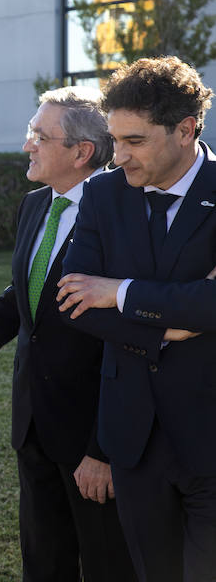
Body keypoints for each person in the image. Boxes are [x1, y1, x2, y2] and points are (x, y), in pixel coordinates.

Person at [0, 87, 136, 581]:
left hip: (92, 441)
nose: (27, 145)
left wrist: (102, 449)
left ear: (82, 152)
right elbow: (23, 296)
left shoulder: (124, 215)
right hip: (33, 424)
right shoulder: (35, 205)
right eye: (29, 132)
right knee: (43, 562)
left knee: (106, 564)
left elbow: (129, 345)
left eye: (39, 135)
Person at [57, 56, 216, 580]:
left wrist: (120, 292)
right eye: (114, 138)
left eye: (135, 141)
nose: (117, 155)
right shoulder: (104, 193)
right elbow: (75, 301)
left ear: (186, 128)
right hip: (132, 438)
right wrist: (169, 324)